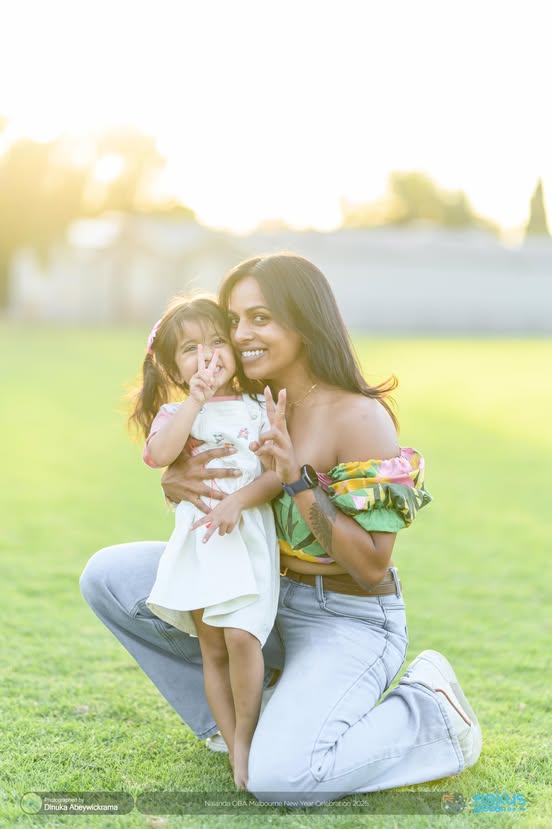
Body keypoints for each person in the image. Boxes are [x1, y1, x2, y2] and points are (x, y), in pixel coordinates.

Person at [81, 253, 482, 805]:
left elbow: (371, 568)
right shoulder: (241, 404)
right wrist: (174, 481)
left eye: (261, 318)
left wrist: (296, 480)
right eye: (235, 319)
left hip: (344, 616)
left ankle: (430, 715)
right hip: (260, 590)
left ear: (304, 322)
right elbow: (203, 481)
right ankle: (237, 729)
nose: (241, 334)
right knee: (108, 576)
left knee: (281, 779)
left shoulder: (358, 417)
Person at [128, 295, 281, 789]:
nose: (208, 356)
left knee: (242, 638)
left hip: (247, 536)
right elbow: (160, 455)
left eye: (217, 342)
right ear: (174, 368)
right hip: (202, 543)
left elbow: (277, 474)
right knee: (213, 649)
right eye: (191, 349)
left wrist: (238, 502)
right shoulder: (177, 412)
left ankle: (251, 736)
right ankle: (236, 747)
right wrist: (194, 400)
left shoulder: (258, 408)